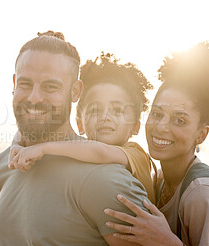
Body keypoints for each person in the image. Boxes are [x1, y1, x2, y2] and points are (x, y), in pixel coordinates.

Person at [0, 31, 150, 246]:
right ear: (14, 83)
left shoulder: (105, 181)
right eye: (25, 84)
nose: (34, 97)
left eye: (50, 86)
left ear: (75, 91)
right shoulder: (3, 166)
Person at [104, 42, 209, 245]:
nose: (160, 127)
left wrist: (166, 241)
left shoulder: (204, 195)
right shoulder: (161, 180)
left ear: (201, 134)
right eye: (157, 114)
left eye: (179, 120)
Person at [8, 52, 156, 204]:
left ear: (135, 127)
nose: (105, 116)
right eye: (94, 110)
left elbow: (101, 152)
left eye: (117, 110)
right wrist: (17, 146)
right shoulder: (81, 153)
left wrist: (42, 148)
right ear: (80, 125)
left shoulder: (136, 154)